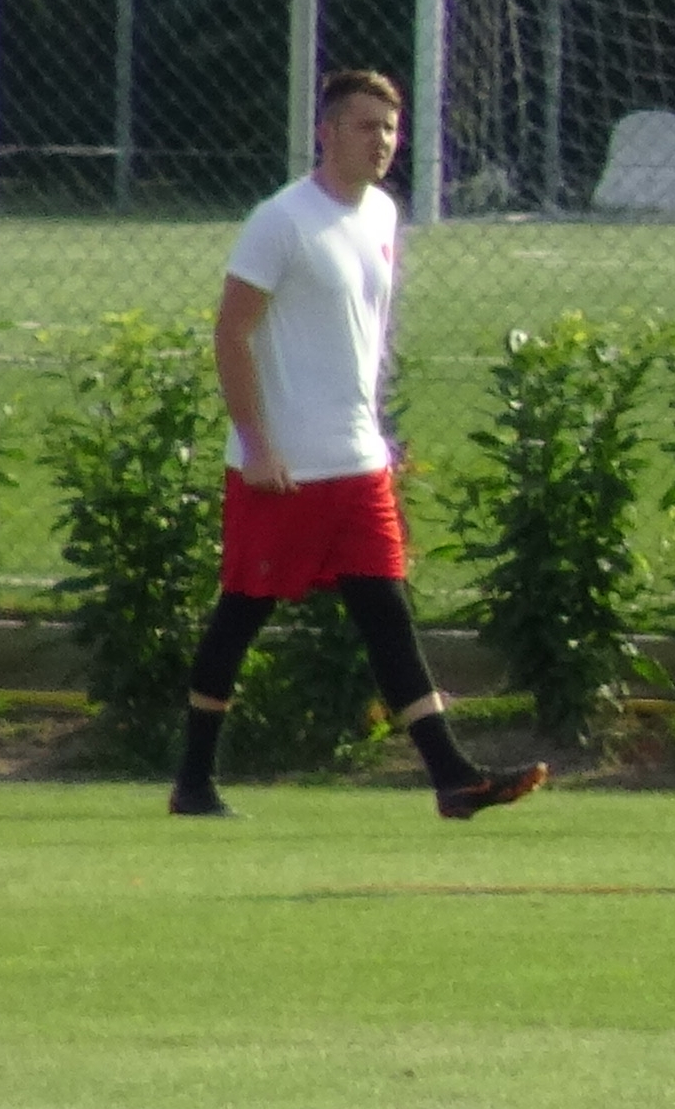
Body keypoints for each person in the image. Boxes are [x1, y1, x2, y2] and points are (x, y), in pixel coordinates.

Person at [169, 69, 547, 821]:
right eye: (367, 126)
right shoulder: (282, 221)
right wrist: (257, 442)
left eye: (391, 128)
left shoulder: (381, 213)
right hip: (283, 469)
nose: (383, 142)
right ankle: (193, 780)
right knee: (242, 611)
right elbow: (231, 332)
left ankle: (453, 780)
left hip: (356, 461)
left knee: (387, 615)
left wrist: (375, 431)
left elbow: (353, 341)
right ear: (328, 132)